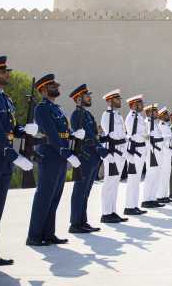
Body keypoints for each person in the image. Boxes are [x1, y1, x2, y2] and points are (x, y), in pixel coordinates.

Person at [27, 74, 84, 246]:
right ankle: (34, 236)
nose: (57, 88)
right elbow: (51, 134)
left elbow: (62, 132)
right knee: (44, 197)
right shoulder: (42, 108)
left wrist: (72, 135)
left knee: (55, 197)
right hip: (50, 156)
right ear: (43, 90)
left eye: (56, 85)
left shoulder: (57, 108)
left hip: (59, 157)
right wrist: (66, 153)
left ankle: (49, 233)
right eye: (53, 86)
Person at [0, 56, 36, 263]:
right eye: (3, 72)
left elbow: (10, 128)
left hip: (4, 162)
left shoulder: (6, 99)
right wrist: (14, 156)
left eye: (7, 71)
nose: (7, 74)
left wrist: (23, 130)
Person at [69, 84, 106, 233]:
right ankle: (75, 223)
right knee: (80, 190)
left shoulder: (88, 114)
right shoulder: (77, 115)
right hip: (84, 157)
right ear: (78, 99)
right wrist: (98, 146)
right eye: (86, 96)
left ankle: (82, 221)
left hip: (92, 158)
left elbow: (93, 133)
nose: (89, 98)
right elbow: (86, 136)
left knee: (86, 191)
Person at [100, 89, 129, 223]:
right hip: (112, 152)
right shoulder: (107, 115)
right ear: (110, 101)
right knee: (109, 183)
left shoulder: (118, 116)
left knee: (115, 183)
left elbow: (122, 133)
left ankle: (112, 211)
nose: (120, 101)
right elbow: (109, 135)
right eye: (117, 99)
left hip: (120, 151)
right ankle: (106, 213)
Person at [124, 95, 148, 215]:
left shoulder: (138, 117)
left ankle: (134, 205)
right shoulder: (132, 117)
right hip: (135, 151)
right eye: (140, 103)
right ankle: (129, 207)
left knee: (136, 180)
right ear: (134, 105)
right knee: (133, 180)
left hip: (140, 150)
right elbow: (133, 135)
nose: (143, 105)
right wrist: (145, 136)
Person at [155, 107, 172, 204]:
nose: (168, 116)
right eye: (166, 114)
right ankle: (159, 196)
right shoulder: (160, 126)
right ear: (161, 116)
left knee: (167, 175)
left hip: (168, 154)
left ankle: (164, 195)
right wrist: (168, 138)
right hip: (163, 154)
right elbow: (161, 139)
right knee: (162, 175)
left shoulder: (166, 125)